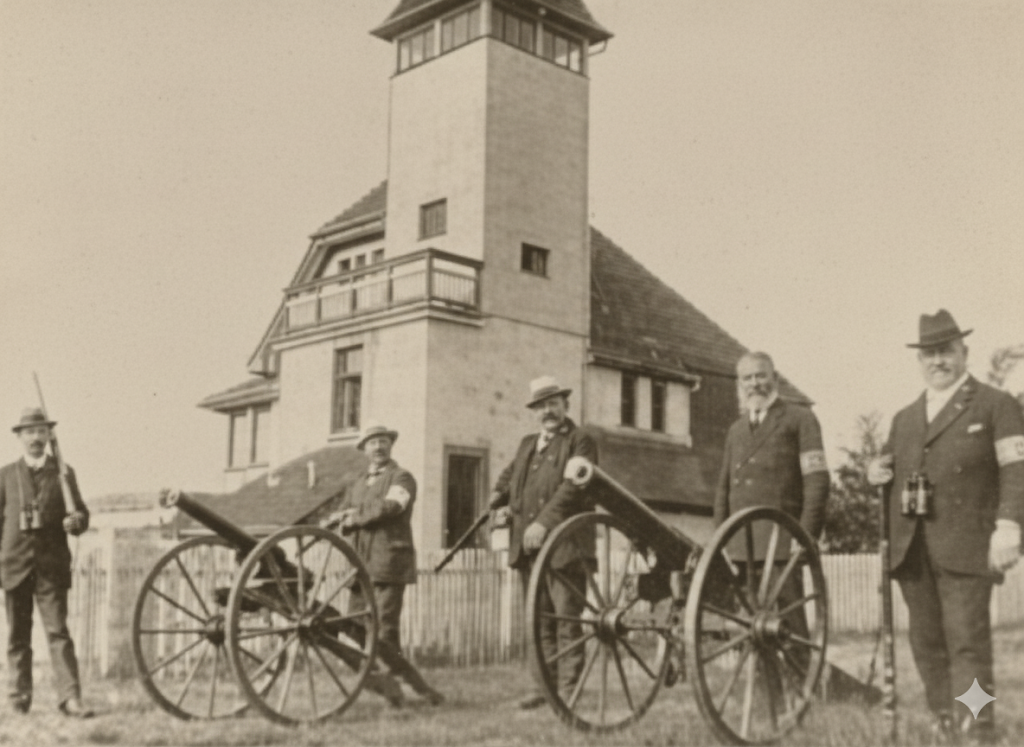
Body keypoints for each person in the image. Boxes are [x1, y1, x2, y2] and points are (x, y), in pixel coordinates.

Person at [868, 310, 1023, 745]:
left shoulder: (996, 405)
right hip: (913, 552)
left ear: (964, 353)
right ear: (919, 361)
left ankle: (977, 729)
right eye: (930, 354)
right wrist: (874, 471)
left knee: (967, 646)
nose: (938, 361)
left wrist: (1009, 525)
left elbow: (1018, 470)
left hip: (968, 548)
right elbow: (886, 466)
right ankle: (946, 724)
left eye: (946, 351)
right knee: (927, 645)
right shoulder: (904, 419)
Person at [488, 375, 597, 709]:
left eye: (553, 404)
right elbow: (508, 481)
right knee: (539, 621)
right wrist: (501, 505)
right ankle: (544, 688)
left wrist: (543, 523)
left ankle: (567, 690)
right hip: (529, 550)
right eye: (541, 406)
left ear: (565, 405)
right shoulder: (526, 445)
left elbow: (572, 489)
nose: (547, 411)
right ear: (533, 411)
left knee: (566, 619)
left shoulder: (580, 441)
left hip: (565, 547)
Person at [713, 352, 830, 650]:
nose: (755, 384)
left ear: (774, 379)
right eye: (747, 378)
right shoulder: (735, 430)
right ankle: (769, 694)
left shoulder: (799, 419)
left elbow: (816, 482)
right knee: (754, 631)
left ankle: (803, 685)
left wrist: (805, 535)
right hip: (742, 546)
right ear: (740, 384)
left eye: (760, 376)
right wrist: (721, 540)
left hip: (782, 544)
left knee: (790, 626)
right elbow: (723, 490)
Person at [323, 424, 443, 707]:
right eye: (372, 442)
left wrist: (354, 517)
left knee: (384, 632)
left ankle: (400, 693)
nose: (378, 447)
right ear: (364, 449)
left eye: (383, 441)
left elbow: (393, 507)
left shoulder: (401, 477)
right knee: (355, 629)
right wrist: (336, 519)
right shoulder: (358, 482)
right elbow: (345, 510)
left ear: (391, 446)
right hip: (359, 567)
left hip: (389, 563)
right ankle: (409, 687)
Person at [0, 407, 92, 717]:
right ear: (20, 437)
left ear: (48, 435)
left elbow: (81, 515)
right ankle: (18, 698)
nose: (35, 438)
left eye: (41, 431)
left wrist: (76, 521)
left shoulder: (64, 474)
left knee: (58, 633)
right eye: (29, 432)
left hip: (51, 568)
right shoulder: (6, 475)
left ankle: (71, 699)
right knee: (17, 636)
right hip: (14, 567)